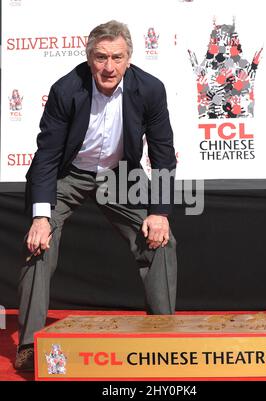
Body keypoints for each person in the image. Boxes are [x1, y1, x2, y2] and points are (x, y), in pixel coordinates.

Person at [15, 20, 177, 371]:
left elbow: (163, 153)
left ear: (129, 58)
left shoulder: (150, 89)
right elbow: (46, 156)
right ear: (89, 58)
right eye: (101, 57)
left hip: (120, 176)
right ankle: (29, 344)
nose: (109, 67)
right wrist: (41, 217)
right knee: (38, 242)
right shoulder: (66, 89)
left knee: (161, 240)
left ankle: (164, 338)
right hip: (69, 173)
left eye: (117, 57)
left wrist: (159, 212)